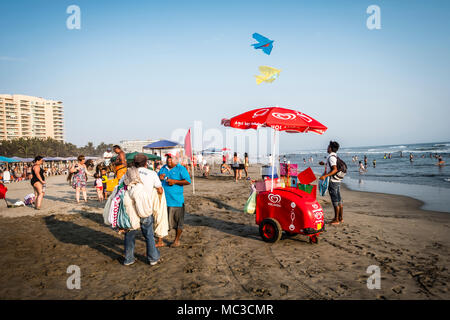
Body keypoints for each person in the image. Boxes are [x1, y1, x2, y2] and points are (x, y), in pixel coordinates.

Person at [123, 154, 164, 265]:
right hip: (145, 207)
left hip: (131, 209)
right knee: (148, 234)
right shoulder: (152, 173)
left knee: (130, 234)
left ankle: (129, 259)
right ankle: (153, 259)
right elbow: (160, 190)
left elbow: (122, 188)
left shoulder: (128, 172)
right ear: (146, 163)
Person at [158, 153, 191, 248]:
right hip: (163, 200)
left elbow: (188, 181)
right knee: (161, 221)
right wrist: (159, 178)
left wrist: (175, 181)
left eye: (171, 158)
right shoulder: (163, 168)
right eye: (168, 158)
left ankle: (176, 240)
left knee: (178, 223)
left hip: (176, 201)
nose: (169, 160)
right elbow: (156, 180)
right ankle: (160, 240)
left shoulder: (181, 169)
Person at [319, 141, 343, 225]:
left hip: (333, 181)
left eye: (328, 146)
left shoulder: (331, 157)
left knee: (335, 200)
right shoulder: (334, 156)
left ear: (331, 148)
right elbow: (331, 166)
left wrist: (325, 176)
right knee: (339, 199)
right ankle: (340, 218)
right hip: (337, 180)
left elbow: (335, 169)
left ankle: (336, 219)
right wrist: (324, 164)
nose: (327, 147)